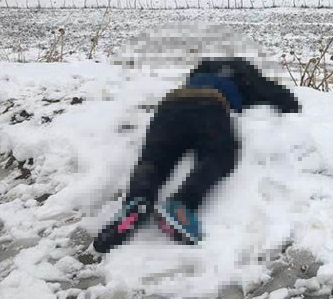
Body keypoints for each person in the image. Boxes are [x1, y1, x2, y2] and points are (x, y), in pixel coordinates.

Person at [93, 57, 300, 253]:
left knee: (155, 158)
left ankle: (137, 199)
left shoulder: (202, 70)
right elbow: (282, 97)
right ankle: (182, 204)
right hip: (210, 106)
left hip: (169, 106)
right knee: (220, 155)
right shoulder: (245, 73)